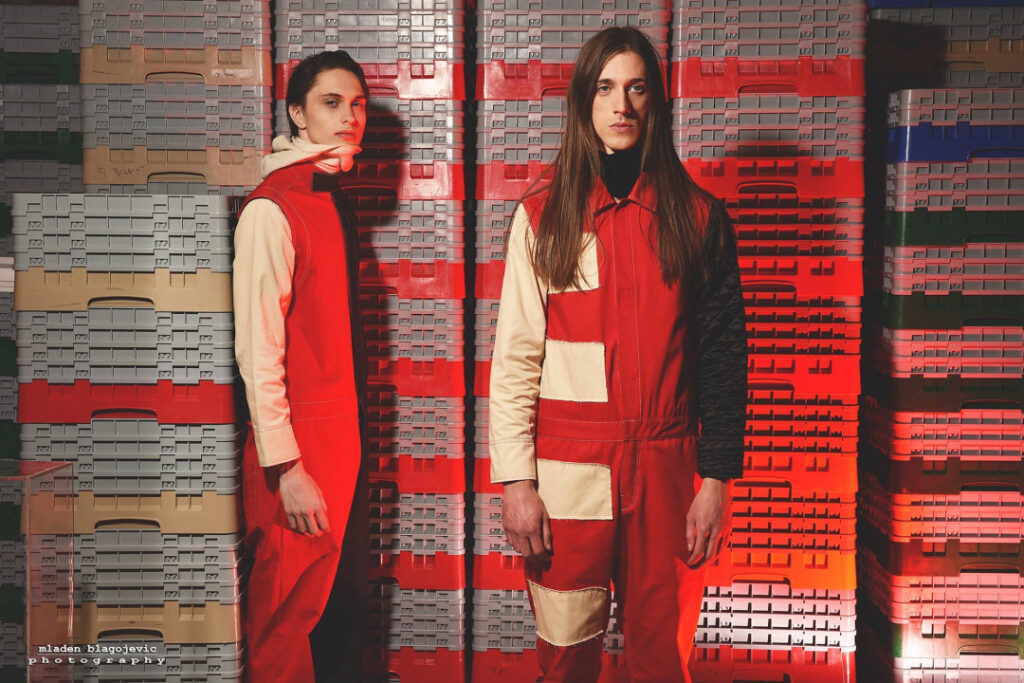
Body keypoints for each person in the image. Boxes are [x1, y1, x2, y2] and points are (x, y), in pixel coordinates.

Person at [488, 27, 748, 681]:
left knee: (660, 661)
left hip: (667, 470)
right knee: (565, 660)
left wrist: (717, 480)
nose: (620, 105)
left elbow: (722, 359)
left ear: (655, 100)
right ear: (584, 101)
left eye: (635, 88)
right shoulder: (542, 216)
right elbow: (516, 358)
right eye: (605, 88)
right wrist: (516, 482)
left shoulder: (699, 218)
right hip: (566, 474)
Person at [233, 50, 370, 682]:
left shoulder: (329, 198)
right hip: (301, 445)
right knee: (286, 622)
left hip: (342, 438)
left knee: (333, 618)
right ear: (297, 113)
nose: (350, 117)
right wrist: (286, 467)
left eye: (358, 104)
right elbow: (258, 349)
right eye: (331, 103)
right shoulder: (272, 208)